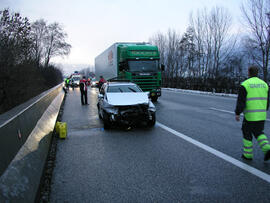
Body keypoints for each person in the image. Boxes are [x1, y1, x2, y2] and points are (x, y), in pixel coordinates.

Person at [235, 66, 270, 161]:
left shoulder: (245, 84)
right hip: (261, 115)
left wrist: (237, 113)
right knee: (259, 132)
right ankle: (267, 149)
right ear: (257, 73)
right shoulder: (264, 84)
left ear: (249, 73)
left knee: (247, 133)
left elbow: (241, 101)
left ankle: (248, 155)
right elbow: (267, 101)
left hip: (250, 116)